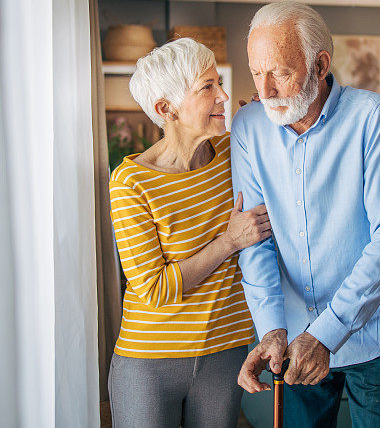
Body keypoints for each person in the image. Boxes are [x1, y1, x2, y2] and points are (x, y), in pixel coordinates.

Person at [232, 2, 380, 427]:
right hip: (294, 339)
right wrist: (271, 328)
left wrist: (325, 333)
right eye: (255, 73)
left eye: (279, 72)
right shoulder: (247, 126)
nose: (265, 91)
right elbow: (255, 236)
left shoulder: (374, 117)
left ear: (320, 65)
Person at [107, 38, 271, 428]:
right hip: (149, 362)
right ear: (167, 109)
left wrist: (265, 122)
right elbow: (154, 289)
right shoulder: (131, 181)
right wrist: (229, 241)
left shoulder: (236, 151)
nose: (224, 95)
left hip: (225, 354)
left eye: (219, 82)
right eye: (207, 87)